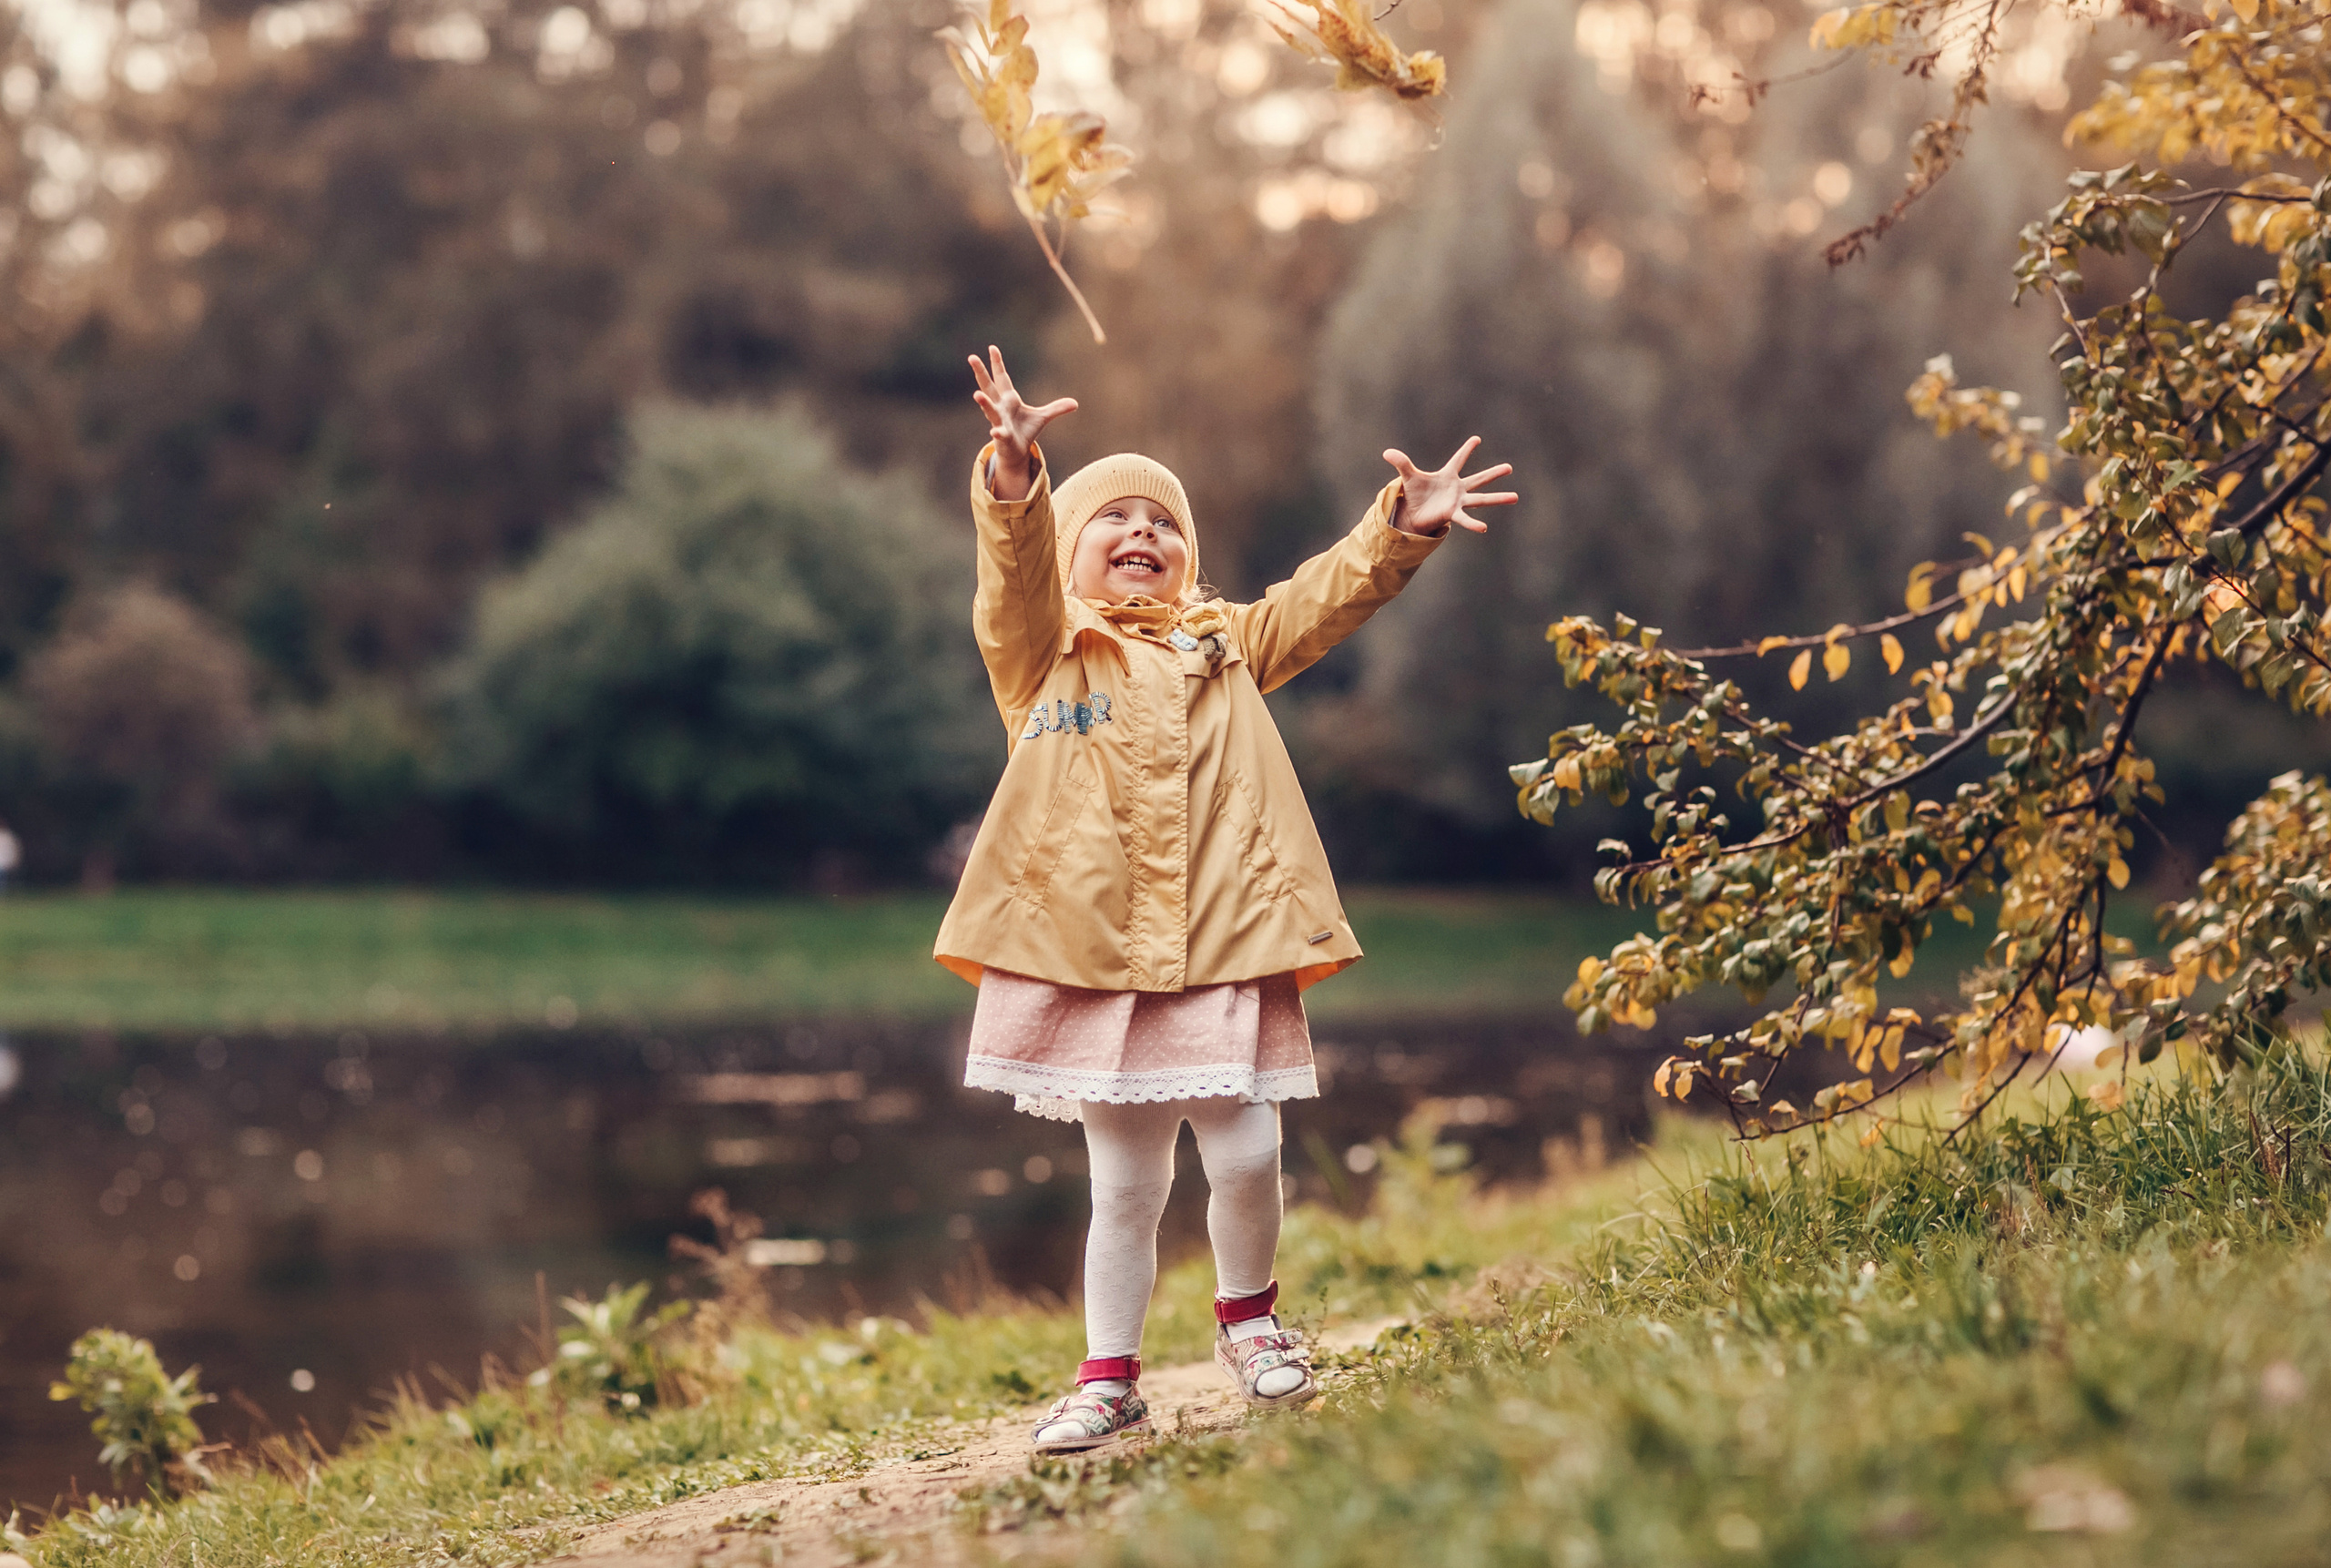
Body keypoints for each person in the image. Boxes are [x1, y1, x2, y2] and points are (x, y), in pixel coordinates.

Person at [934, 346, 1517, 1451]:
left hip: (1224, 941)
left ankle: (1248, 1322)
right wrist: (1013, 477)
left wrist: (1400, 526)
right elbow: (1011, 575)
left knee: (1247, 1152)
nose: (1143, 533)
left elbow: (1321, 598)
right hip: (1097, 955)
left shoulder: (1229, 645)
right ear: (1070, 549)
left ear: (1188, 560)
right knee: (1126, 1183)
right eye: (1115, 520)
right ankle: (1108, 1377)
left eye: (1164, 524)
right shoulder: (1045, 652)